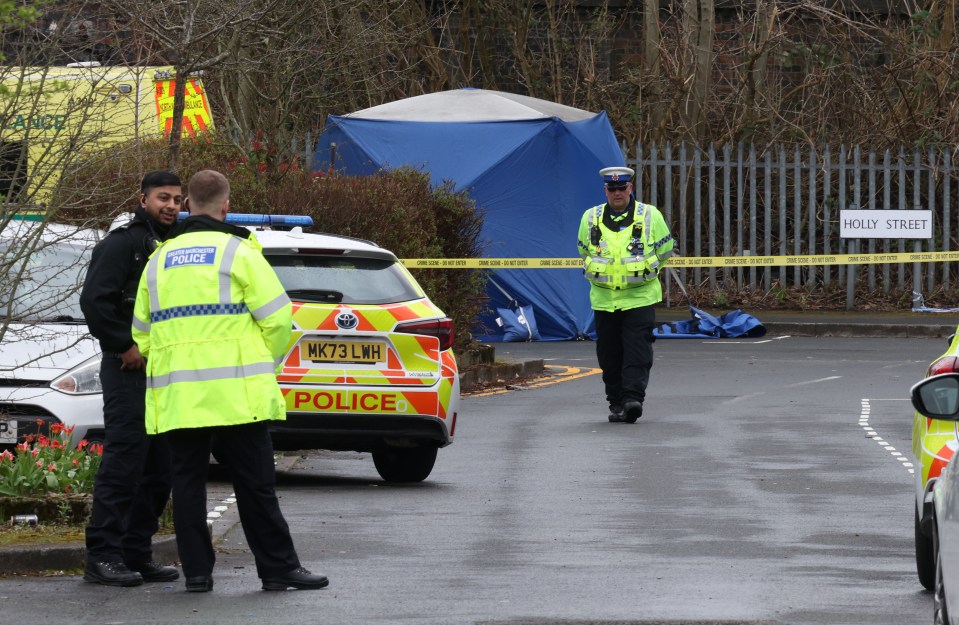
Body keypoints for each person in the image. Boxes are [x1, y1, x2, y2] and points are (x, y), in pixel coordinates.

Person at [131, 169, 328, 593]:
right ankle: (278, 568)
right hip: (239, 395)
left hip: (180, 396)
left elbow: (142, 334)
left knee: (186, 487)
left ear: (186, 206)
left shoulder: (158, 259)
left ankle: (197, 574)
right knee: (255, 486)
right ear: (226, 206)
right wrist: (262, 361)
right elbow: (278, 318)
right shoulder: (239, 253)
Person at [80, 170, 183, 586]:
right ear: (143, 200)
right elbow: (94, 301)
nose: (172, 206)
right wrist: (123, 345)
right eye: (163, 198)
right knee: (124, 464)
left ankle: (136, 553)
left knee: (160, 468)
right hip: (127, 369)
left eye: (178, 198)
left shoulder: (176, 246)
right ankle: (102, 556)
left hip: (167, 372)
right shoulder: (122, 244)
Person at [577, 166, 674, 423]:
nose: (617, 193)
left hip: (639, 297)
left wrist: (647, 269)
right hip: (604, 300)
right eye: (612, 188)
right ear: (605, 190)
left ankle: (633, 399)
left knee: (637, 352)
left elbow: (666, 249)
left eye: (622, 188)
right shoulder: (590, 217)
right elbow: (583, 250)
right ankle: (616, 402)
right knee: (609, 356)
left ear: (630, 188)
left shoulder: (650, 215)